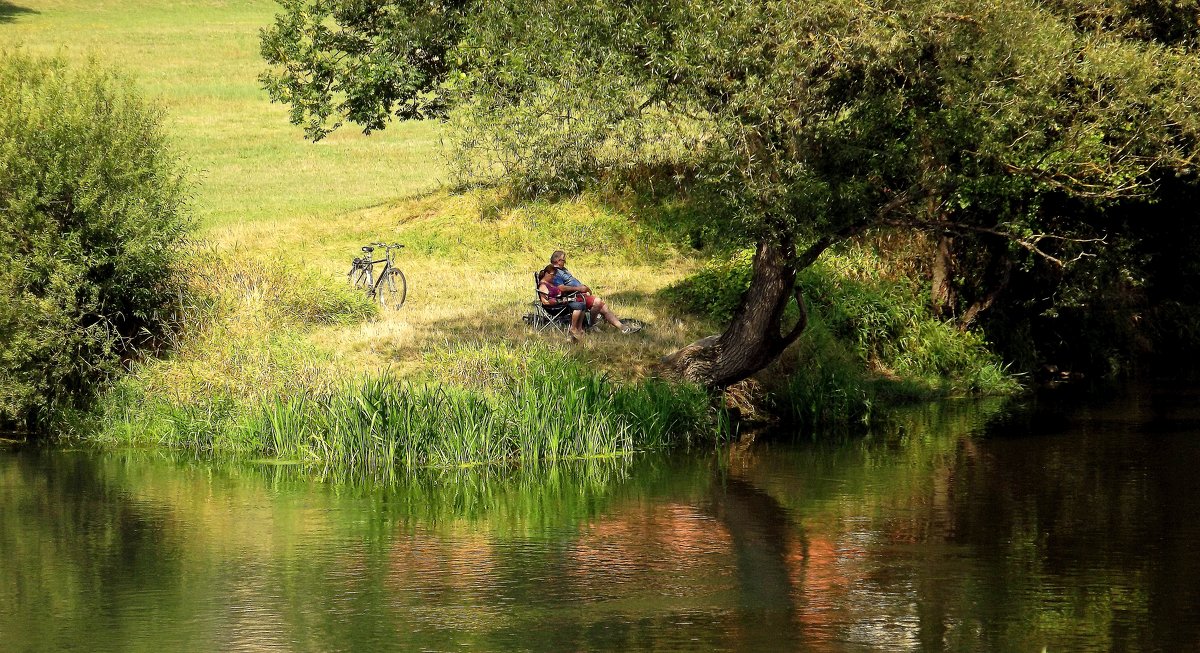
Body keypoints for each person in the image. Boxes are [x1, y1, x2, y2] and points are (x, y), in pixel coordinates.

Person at [547, 252, 641, 334]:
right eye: (564, 260)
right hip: (573, 297)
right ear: (557, 260)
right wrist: (579, 288)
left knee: (603, 307)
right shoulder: (554, 272)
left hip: (579, 294)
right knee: (597, 302)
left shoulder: (563, 270)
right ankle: (591, 326)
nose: (565, 262)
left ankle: (623, 328)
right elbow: (560, 288)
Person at [538, 265, 586, 339]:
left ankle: (579, 328)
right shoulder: (543, 286)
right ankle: (573, 328)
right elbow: (545, 302)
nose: (554, 277)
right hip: (554, 307)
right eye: (552, 275)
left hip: (561, 303)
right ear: (547, 274)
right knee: (578, 306)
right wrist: (559, 301)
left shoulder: (551, 283)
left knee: (582, 305)